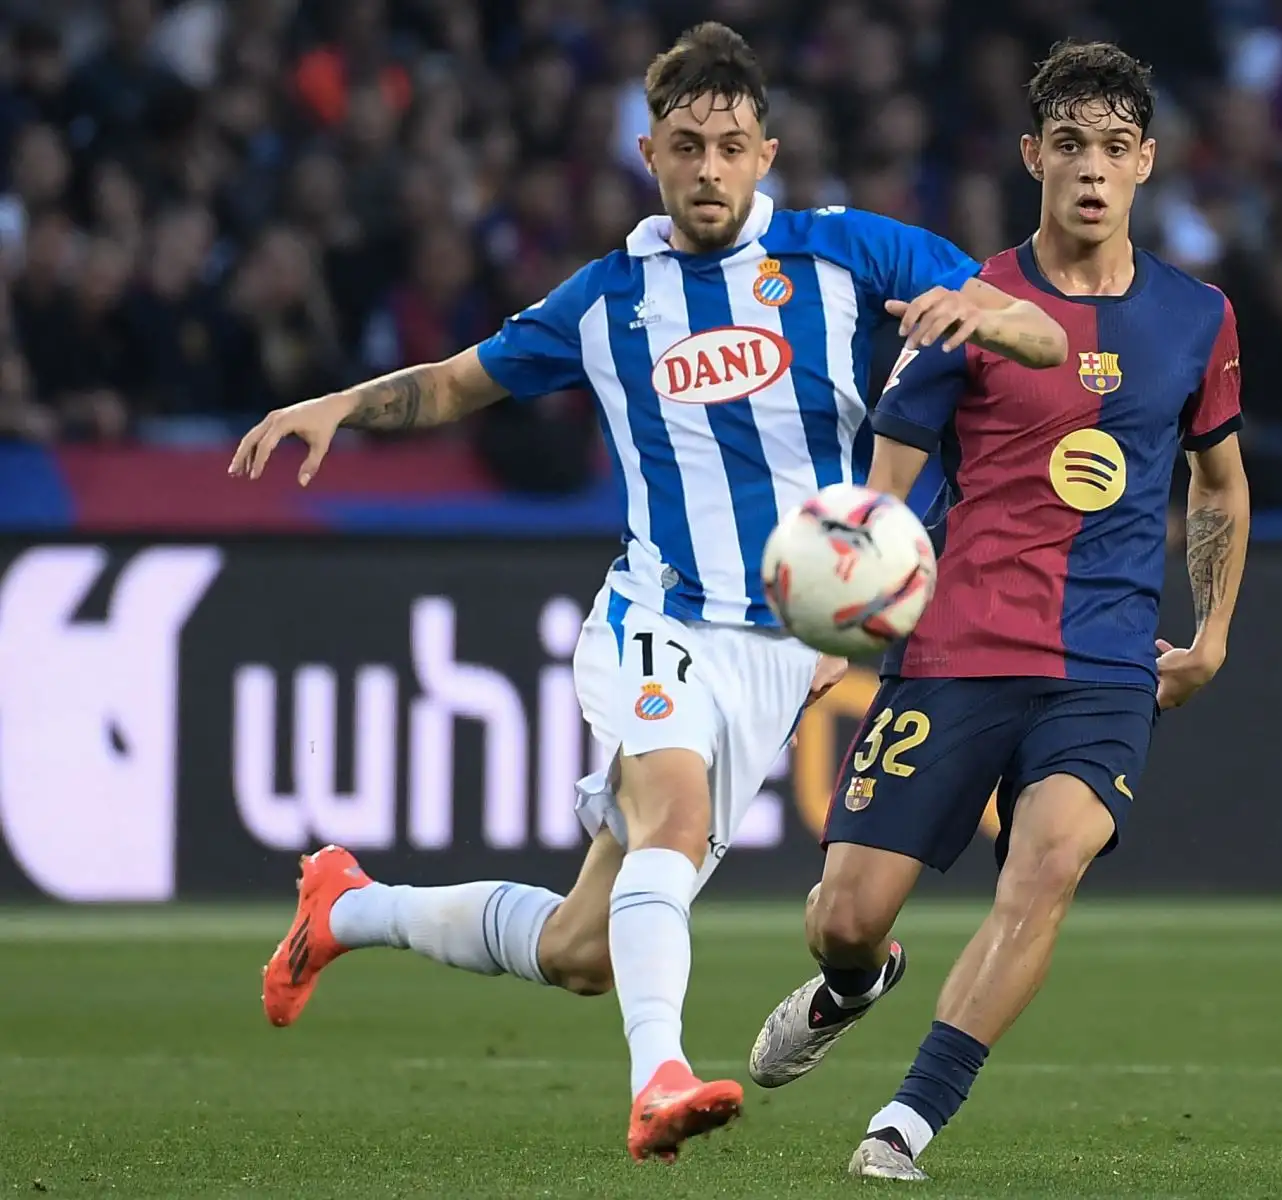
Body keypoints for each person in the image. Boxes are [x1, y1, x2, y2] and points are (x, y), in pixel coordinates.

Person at [227, 22, 1066, 1163]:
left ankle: (346, 906)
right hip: (655, 619)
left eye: (729, 145)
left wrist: (991, 317)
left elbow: (1037, 330)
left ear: (766, 151)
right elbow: (457, 382)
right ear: (649, 152)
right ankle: (657, 1079)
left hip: (778, 650)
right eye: (686, 145)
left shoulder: (849, 256)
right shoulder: (607, 298)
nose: (709, 168)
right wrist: (342, 402)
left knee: (582, 948)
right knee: (672, 816)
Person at [744, 41, 1250, 1180]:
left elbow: (1217, 483)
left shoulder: (1198, 318)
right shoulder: (964, 309)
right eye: (1070, 144)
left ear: (1147, 164)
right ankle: (853, 983)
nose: (1092, 169)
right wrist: (837, 624)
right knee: (843, 915)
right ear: (1033, 156)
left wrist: (1212, 635)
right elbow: (881, 494)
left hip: (1104, 660)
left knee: (1050, 863)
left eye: (1116, 149)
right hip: (959, 647)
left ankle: (904, 1125)